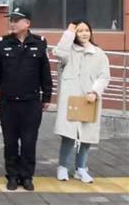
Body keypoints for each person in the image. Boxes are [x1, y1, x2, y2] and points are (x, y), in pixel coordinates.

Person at [0, 6, 53, 191]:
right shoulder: (2, 43)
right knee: (10, 142)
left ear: (27, 23)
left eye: (16, 20)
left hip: (31, 102)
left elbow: (45, 73)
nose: (12, 23)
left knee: (29, 141)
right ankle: (12, 176)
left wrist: (47, 96)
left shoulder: (39, 43)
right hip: (8, 102)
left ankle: (27, 176)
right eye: (11, 20)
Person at [53, 20, 110, 183]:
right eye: (79, 31)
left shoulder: (98, 53)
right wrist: (68, 34)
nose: (84, 33)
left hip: (89, 99)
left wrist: (95, 91)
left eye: (86, 30)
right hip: (71, 98)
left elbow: (104, 76)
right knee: (68, 135)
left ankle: (81, 168)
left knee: (86, 137)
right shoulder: (69, 51)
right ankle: (62, 167)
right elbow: (58, 52)